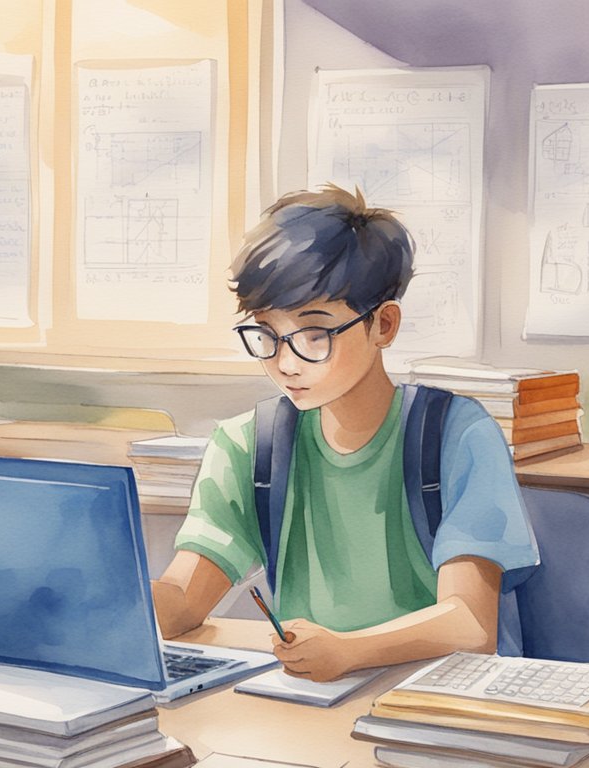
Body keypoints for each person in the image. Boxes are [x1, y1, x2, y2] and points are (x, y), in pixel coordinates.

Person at [150, 184, 538, 682]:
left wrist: (350, 651)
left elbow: (471, 622)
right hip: (316, 696)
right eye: (267, 335)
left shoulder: (457, 434)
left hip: (438, 695)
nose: (285, 363)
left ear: (384, 325)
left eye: (314, 334)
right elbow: (183, 603)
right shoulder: (249, 445)